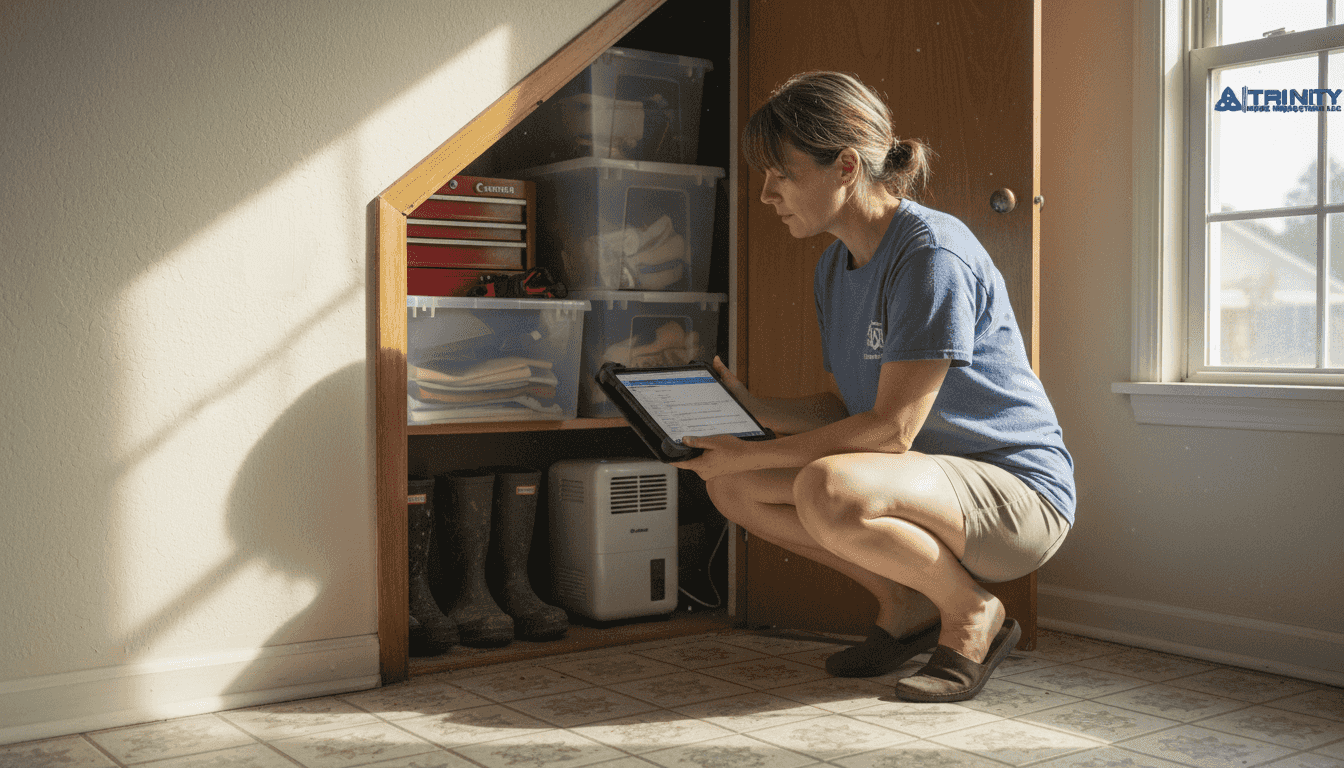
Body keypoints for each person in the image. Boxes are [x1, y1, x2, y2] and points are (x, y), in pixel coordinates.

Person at [673, 71, 1075, 703]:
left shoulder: (931, 254)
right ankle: (906, 604)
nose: (766, 193)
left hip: (1013, 494)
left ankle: (972, 614)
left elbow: (890, 432)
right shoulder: (835, 265)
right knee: (732, 485)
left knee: (827, 485)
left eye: (783, 173)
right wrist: (752, 409)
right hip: (921, 482)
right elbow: (845, 410)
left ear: (846, 167)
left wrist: (754, 446)